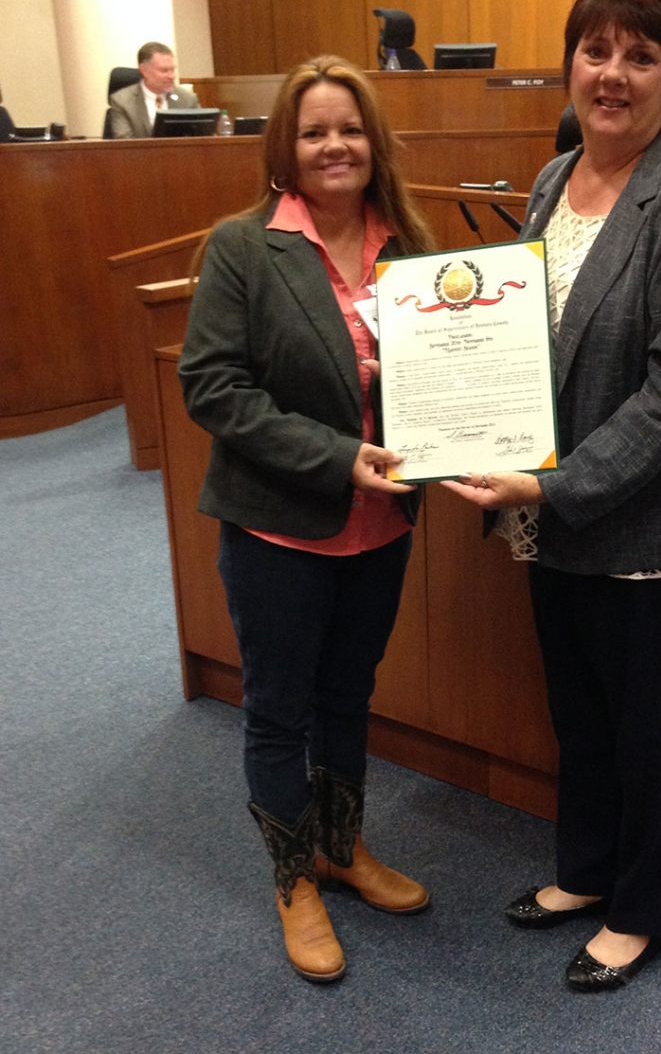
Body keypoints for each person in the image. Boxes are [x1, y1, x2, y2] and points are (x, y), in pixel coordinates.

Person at [443, 0, 661, 992]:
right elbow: (522, 337)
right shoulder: (551, 176)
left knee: (647, 724)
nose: (611, 73)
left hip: (655, 520)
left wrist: (548, 484)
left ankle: (649, 907)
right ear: (569, 60)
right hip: (558, 508)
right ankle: (585, 871)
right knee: (578, 706)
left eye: (641, 55)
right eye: (595, 48)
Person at [178, 55, 435, 982]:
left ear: (375, 144)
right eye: (315, 130)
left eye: (351, 129)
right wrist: (337, 458)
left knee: (348, 693)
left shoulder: (408, 244)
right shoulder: (245, 245)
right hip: (279, 528)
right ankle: (294, 881)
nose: (335, 145)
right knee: (280, 709)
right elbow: (211, 386)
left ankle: (341, 846)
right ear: (285, 146)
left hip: (381, 527)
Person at [107, 41, 200, 138]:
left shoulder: (188, 99)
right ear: (144, 70)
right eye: (164, 71)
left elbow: (202, 138)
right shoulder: (122, 101)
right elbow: (125, 144)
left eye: (172, 70)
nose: (172, 76)